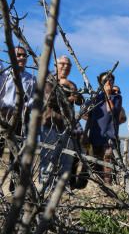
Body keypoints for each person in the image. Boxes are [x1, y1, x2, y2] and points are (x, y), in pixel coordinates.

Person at [40, 55, 82, 184]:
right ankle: (45, 188)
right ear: (55, 65)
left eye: (68, 65)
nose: (65, 66)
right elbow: (50, 101)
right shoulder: (49, 81)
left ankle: (62, 188)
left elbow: (80, 101)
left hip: (67, 126)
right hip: (50, 124)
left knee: (67, 158)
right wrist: (70, 98)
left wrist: (71, 88)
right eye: (62, 63)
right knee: (48, 157)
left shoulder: (71, 84)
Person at [0, 46, 36, 189]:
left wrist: (25, 105)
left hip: (21, 116)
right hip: (3, 114)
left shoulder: (31, 79)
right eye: (18, 55)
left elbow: (34, 98)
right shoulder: (5, 74)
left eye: (24, 55)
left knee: (16, 152)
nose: (22, 57)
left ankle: (14, 187)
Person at [86, 72, 123, 185]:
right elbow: (86, 114)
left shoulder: (116, 97)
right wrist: (84, 134)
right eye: (105, 80)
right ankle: (99, 188)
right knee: (96, 163)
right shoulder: (95, 98)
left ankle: (109, 188)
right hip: (95, 136)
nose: (108, 82)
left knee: (108, 163)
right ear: (100, 83)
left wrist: (107, 94)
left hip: (109, 137)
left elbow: (110, 110)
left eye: (110, 80)